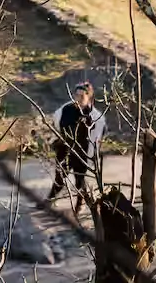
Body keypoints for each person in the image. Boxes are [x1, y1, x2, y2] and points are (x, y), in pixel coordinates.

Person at [48, 82, 106, 214]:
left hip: (82, 151)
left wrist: (93, 152)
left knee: (79, 179)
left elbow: (99, 134)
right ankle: (50, 200)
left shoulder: (93, 114)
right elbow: (58, 126)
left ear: (88, 97)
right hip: (65, 148)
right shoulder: (67, 109)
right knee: (60, 175)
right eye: (77, 95)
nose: (78, 98)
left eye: (82, 96)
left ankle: (81, 203)